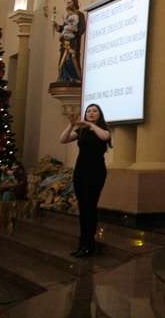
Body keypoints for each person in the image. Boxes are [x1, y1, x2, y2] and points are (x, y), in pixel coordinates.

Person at [59, 103, 111, 257]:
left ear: (99, 114)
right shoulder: (81, 131)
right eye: (89, 111)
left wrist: (89, 124)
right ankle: (82, 243)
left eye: (95, 111)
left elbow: (105, 137)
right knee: (83, 207)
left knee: (90, 206)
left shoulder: (102, 130)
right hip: (80, 171)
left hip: (96, 171)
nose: (91, 113)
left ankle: (90, 244)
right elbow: (63, 139)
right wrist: (71, 125)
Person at [53, 0, 86, 83]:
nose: (68, 4)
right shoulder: (68, 16)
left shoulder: (79, 14)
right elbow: (63, 28)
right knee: (63, 62)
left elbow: (82, 28)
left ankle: (75, 78)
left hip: (73, 43)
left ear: (75, 3)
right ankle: (64, 78)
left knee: (72, 59)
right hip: (65, 43)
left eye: (70, 2)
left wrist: (73, 33)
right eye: (67, 3)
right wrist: (58, 27)